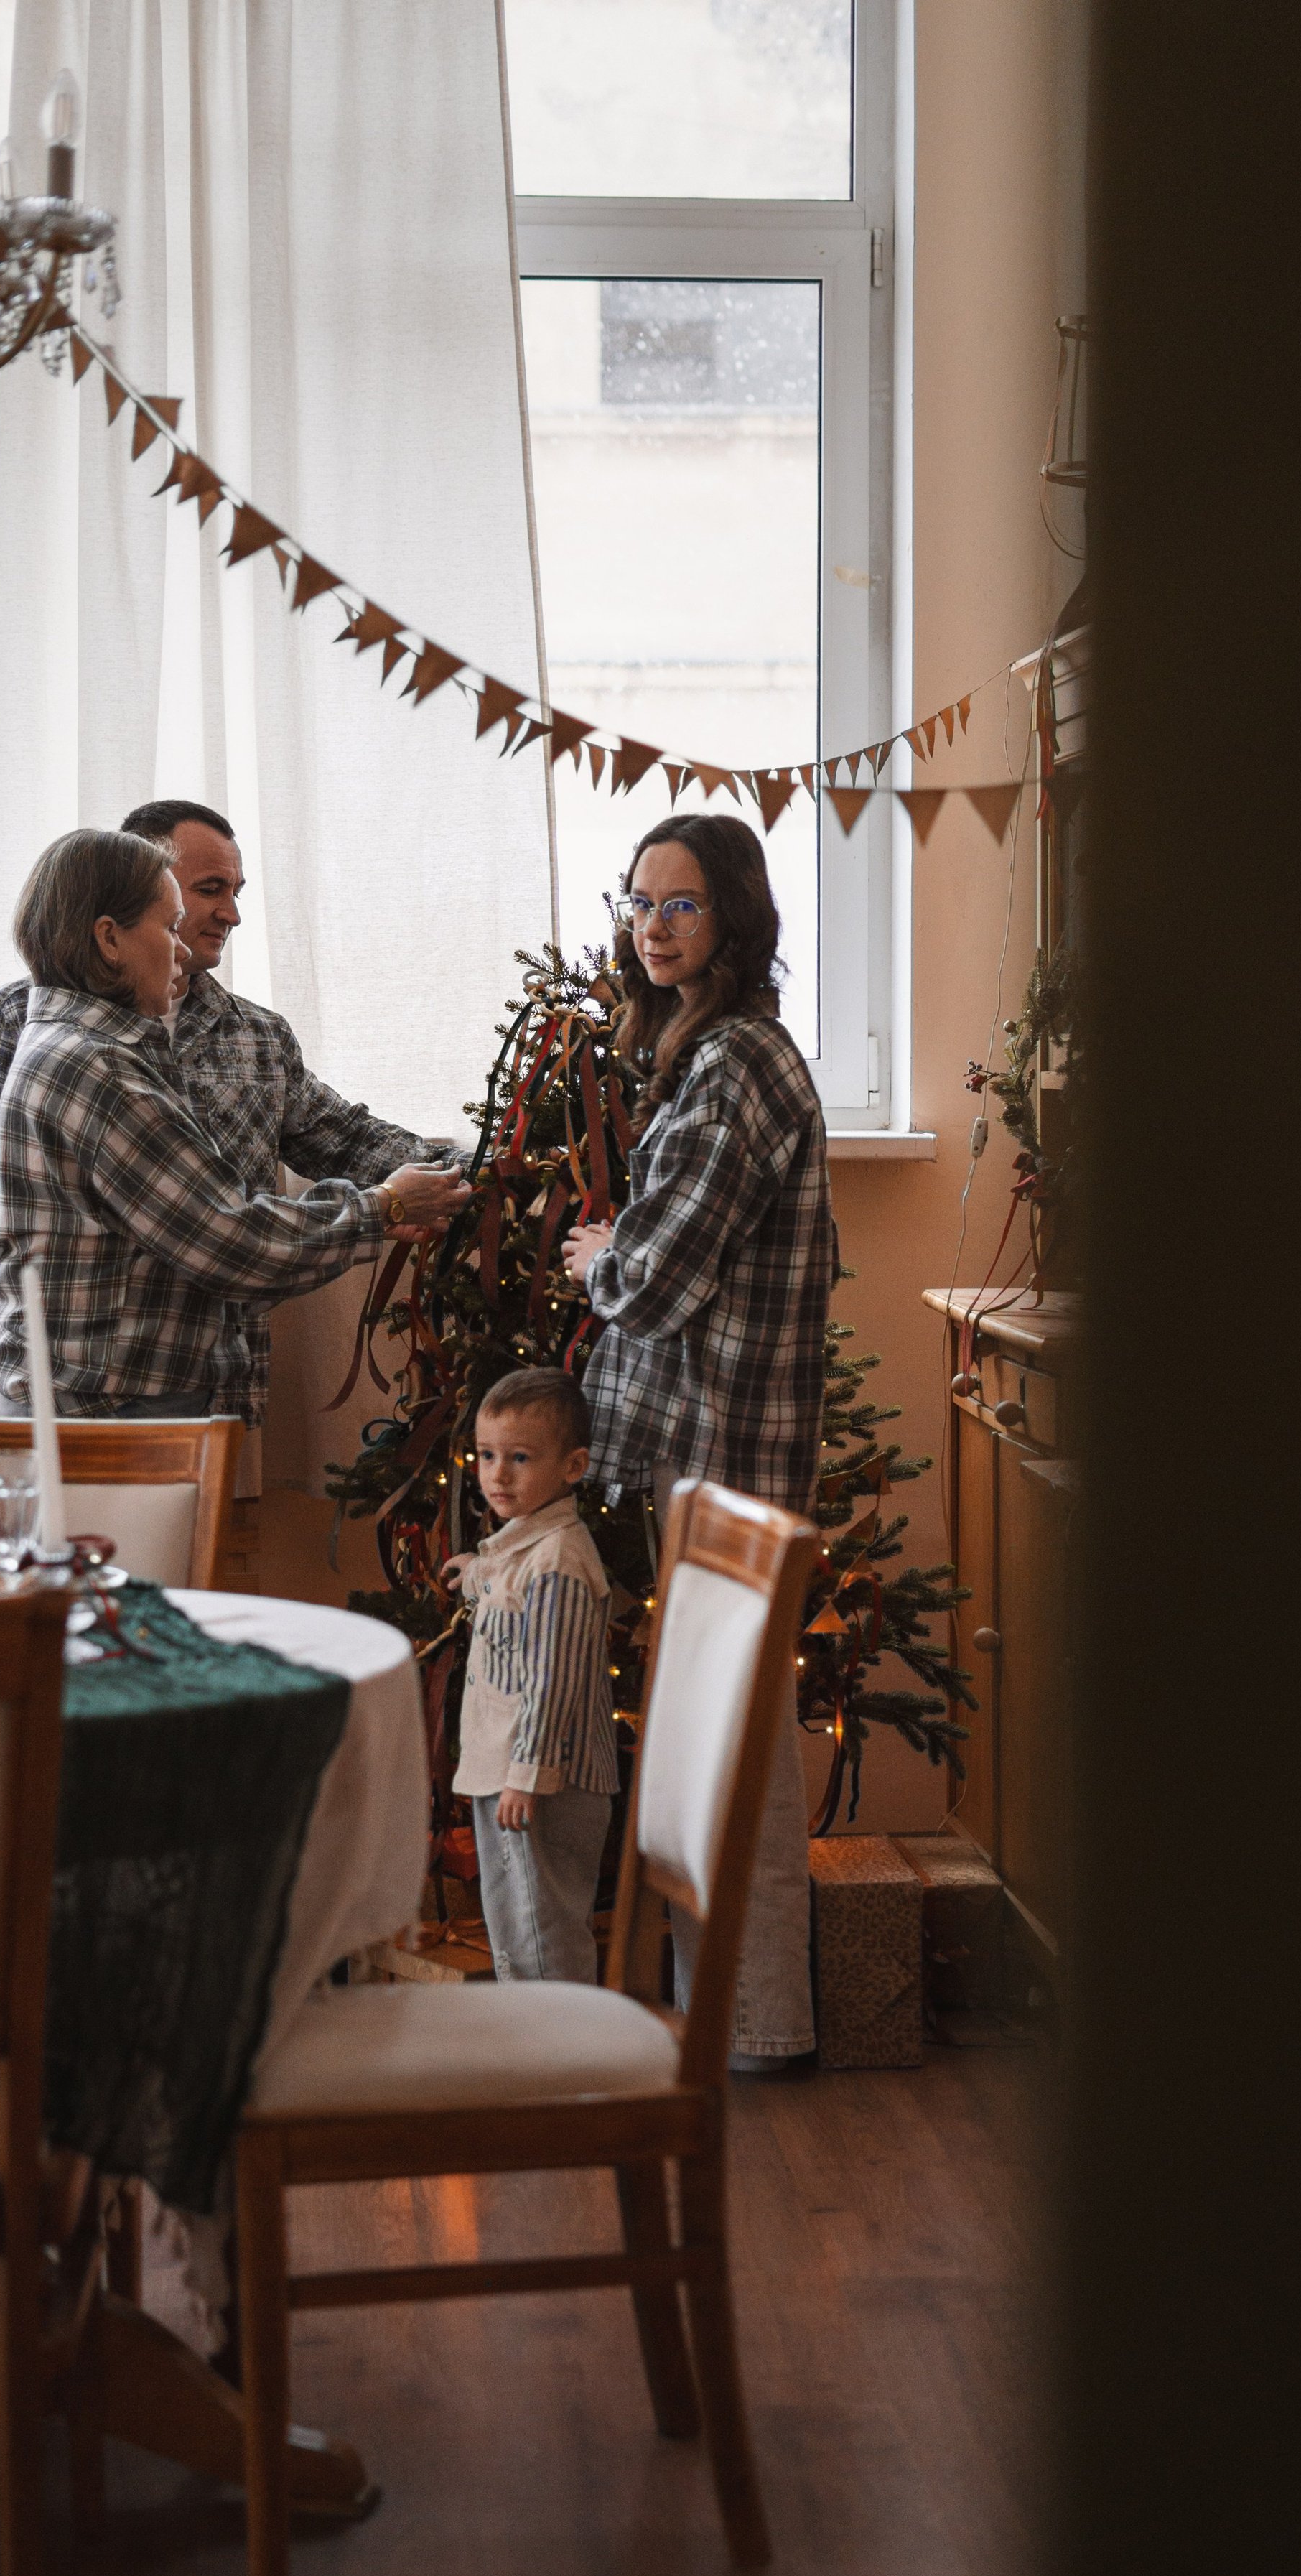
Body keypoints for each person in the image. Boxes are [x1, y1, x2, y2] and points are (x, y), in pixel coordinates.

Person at [563, 813, 834, 2072]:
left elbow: (657, 1277)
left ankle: (757, 2023)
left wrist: (596, 1256)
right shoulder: (707, 1051)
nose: (653, 926)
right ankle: (736, 2013)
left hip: (725, 1456)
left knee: (736, 1742)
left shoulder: (737, 1066)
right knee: (723, 1735)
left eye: (681, 903)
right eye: (639, 901)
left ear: (734, 916)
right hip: (707, 1449)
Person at [0, 799, 442, 1423]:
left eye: (237, 892)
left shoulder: (255, 1036)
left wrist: (473, 1166)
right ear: (112, 930)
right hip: (103, 1416)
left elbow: (346, 1137)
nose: (230, 914)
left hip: (205, 1397)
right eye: (206, 893)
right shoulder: (66, 1049)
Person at [444, 1369, 619, 1984]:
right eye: (487, 1455)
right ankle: (532, 2028)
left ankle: (560, 2034)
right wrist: (475, 1573)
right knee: (514, 1923)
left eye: (519, 1458)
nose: (498, 1475)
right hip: (508, 1769)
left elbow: (553, 1682)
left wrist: (528, 1775)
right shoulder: (524, 1549)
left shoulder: (558, 1564)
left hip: (544, 1782)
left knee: (540, 1931)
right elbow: (508, 1596)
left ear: (573, 1466)